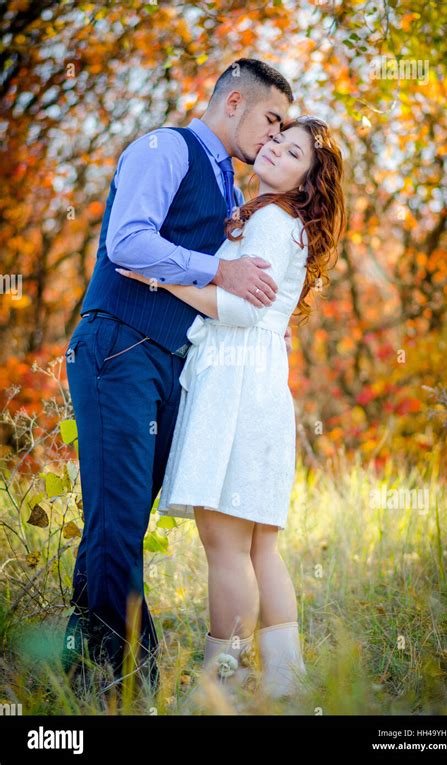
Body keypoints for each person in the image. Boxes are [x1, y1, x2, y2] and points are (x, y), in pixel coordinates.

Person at [61, 58, 294, 692]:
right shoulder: (165, 148)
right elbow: (127, 243)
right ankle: (131, 676)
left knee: (122, 517)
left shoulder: (229, 190)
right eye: (271, 120)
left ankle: (84, 670)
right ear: (235, 101)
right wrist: (219, 272)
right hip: (118, 349)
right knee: (116, 516)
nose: (273, 137)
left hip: (170, 364)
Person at [116, 115, 347, 699]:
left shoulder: (271, 218)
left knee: (224, 543)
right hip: (259, 383)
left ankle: (226, 680)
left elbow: (239, 309)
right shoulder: (286, 223)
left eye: (291, 151)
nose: (272, 148)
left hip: (237, 385)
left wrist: (158, 279)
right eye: (275, 138)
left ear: (305, 181)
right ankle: (286, 682)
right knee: (258, 544)